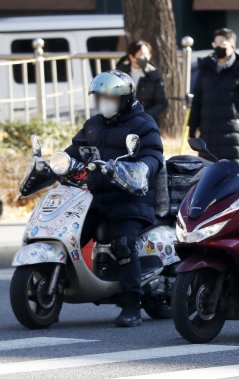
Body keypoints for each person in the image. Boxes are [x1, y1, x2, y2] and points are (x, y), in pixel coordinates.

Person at [65, 70, 164, 327]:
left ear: (125, 98)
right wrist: (59, 161)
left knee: (122, 241)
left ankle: (132, 304)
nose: (104, 101)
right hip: (97, 197)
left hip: (131, 199)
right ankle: (55, 287)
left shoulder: (143, 124)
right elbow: (75, 150)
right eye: (100, 96)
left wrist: (142, 168)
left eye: (110, 96)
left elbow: (154, 155)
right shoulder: (94, 125)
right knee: (69, 234)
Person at [189, 28, 239, 166]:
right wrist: (192, 127)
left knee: (231, 176)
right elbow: (197, 100)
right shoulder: (206, 68)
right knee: (206, 176)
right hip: (207, 134)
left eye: (222, 43)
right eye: (215, 43)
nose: (218, 46)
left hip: (232, 136)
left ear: (233, 46)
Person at [117, 41, 167, 127]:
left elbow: (161, 102)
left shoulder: (154, 75)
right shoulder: (120, 73)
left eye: (148, 54)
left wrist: (144, 115)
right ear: (132, 57)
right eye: (142, 54)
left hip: (146, 122)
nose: (145, 58)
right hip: (123, 121)